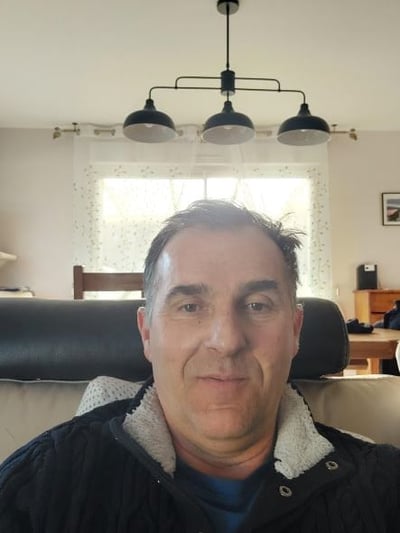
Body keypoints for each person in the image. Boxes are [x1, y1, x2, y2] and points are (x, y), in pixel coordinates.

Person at [0, 199, 399, 532]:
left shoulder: (384, 486)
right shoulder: (38, 486)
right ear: (147, 333)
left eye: (257, 305)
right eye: (190, 307)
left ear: (295, 331)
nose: (226, 341)